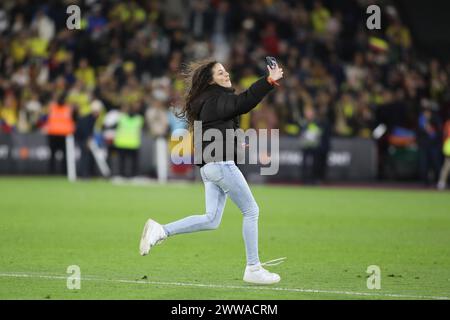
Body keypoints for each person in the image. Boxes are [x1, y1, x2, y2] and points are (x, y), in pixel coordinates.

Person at [139, 60, 284, 284]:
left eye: (225, 70)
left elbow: (215, 130)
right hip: (221, 165)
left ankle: (161, 230)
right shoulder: (217, 98)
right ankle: (253, 267)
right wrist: (268, 81)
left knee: (211, 219)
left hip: (210, 167)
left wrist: (235, 144)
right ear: (210, 80)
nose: (226, 74)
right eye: (220, 72)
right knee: (251, 211)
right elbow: (243, 103)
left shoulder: (206, 101)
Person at [437, 116, 450, 190]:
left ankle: (441, 183)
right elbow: (445, 135)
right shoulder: (448, 123)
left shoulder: (447, 123)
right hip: (448, 148)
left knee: (446, 166)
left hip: (447, 147)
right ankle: (441, 183)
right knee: (446, 166)